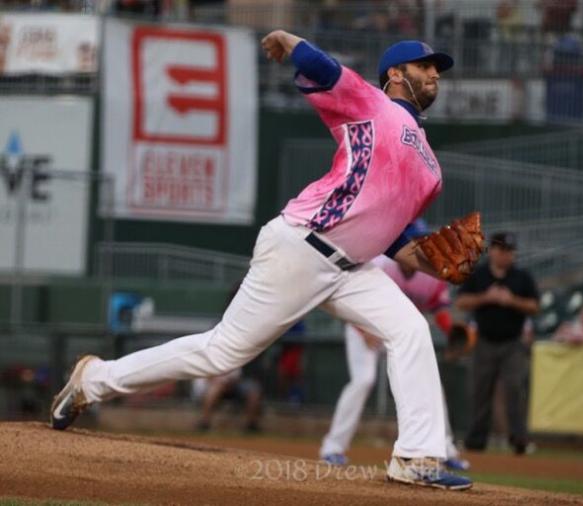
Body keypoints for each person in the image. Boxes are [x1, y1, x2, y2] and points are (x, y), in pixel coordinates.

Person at [50, 29, 473, 490]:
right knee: (221, 352)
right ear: (396, 73)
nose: (434, 73)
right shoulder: (372, 105)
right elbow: (326, 70)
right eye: (425, 65)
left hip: (354, 269)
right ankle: (94, 380)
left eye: (438, 69)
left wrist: (441, 265)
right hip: (301, 247)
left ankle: (416, 456)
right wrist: (291, 41)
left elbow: (395, 241)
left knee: (410, 329)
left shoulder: (431, 166)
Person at [319, 221, 470, 472]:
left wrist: (451, 332)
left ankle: (446, 449)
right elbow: (349, 295)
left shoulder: (431, 273)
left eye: (423, 240)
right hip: (364, 328)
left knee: (430, 382)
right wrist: (363, 330)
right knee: (363, 380)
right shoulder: (380, 265)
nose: (420, 245)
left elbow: (439, 307)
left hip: (401, 334)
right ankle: (332, 448)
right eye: (414, 240)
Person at [455, 232, 539, 455]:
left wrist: (512, 301)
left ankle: (519, 440)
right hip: (484, 340)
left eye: (510, 251)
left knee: (514, 389)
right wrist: (487, 297)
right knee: (480, 391)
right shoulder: (479, 275)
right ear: (492, 250)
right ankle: (475, 441)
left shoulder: (522, 277)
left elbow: (534, 306)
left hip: (513, 342)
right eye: (502, 250)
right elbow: (461, 301)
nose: (505, 255)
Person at [193, 368, 263, 433]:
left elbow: (237, 377)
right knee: (214, 390)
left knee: (253, 390)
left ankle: (251, 424)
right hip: (214, 387)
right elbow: (208, 379)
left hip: (234, 386)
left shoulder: (233, 357)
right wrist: (220, 383)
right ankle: (205, 423)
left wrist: (229, 384)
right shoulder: (210, 359)